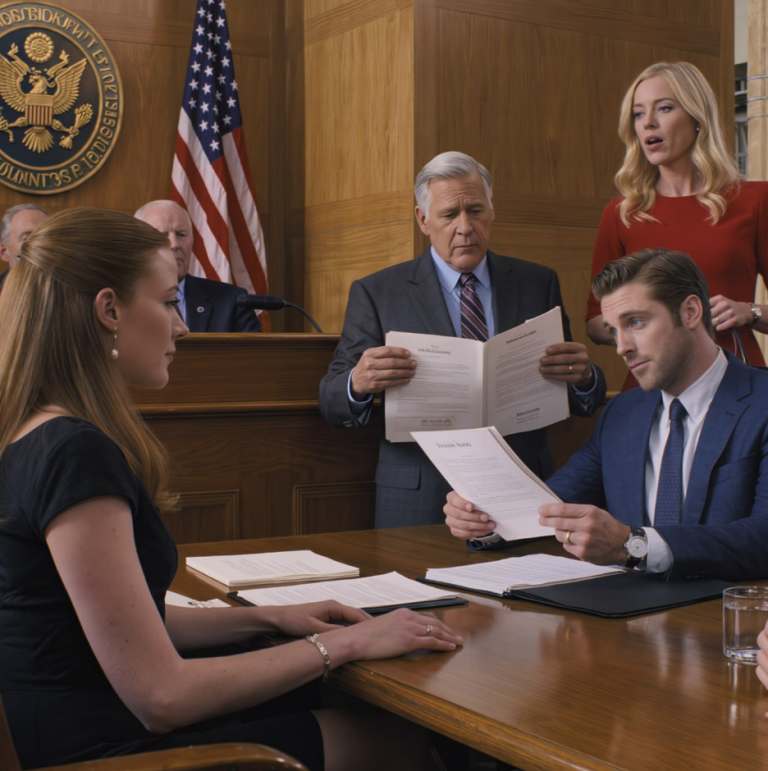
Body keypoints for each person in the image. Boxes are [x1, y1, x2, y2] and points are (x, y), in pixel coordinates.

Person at [0, 208, 463, 771]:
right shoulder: (72, 451)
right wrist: (343, 644)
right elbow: (161, 696)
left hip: (74, 726)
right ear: (109, 309)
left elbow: (121, 623)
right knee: (398, 739)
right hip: (105, 751)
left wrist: (266, 619)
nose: (183, 326)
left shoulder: (30, 432)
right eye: (168, 301)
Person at [319, 152, 606, 528]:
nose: (466, 227)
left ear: (492, 211)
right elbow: (331, 400)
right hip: (418, 495)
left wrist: (584, 378)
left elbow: (579, 396)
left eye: (475, 210)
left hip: (521, 485)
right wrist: (358, 383)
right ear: (423, 219)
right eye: (450, 215)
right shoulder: (378, 292)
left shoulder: (538, 283)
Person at [444, 248, 768, 581]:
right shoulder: (621, 413)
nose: (622, 347)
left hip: (729, 620)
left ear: (690, 312)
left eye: (635, 322)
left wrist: (633, 545)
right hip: (626, 619)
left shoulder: (762, 403)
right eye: (614, 330)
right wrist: (485, 521)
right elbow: (546, 506)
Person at [585, 61, 768, 388]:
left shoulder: (756, 201)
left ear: (697, 118)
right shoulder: (621, 213)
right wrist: (643, 325)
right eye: (638, 114)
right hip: (653, 389)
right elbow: (596, 322)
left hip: (738, 383)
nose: (648, 123)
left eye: (664, 108)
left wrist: (748, 312)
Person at [135, 200, 261, 333]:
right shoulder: (120, 300)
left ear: (192, 242)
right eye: (161, 235)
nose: (174, 244)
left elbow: (253, 353)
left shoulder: (232, 301)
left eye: (181, 234)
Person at [0, 203, 48, 288]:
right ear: (3, 252)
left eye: (46, 237)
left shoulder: (72, 295)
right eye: (27, 238)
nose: (40, 244)